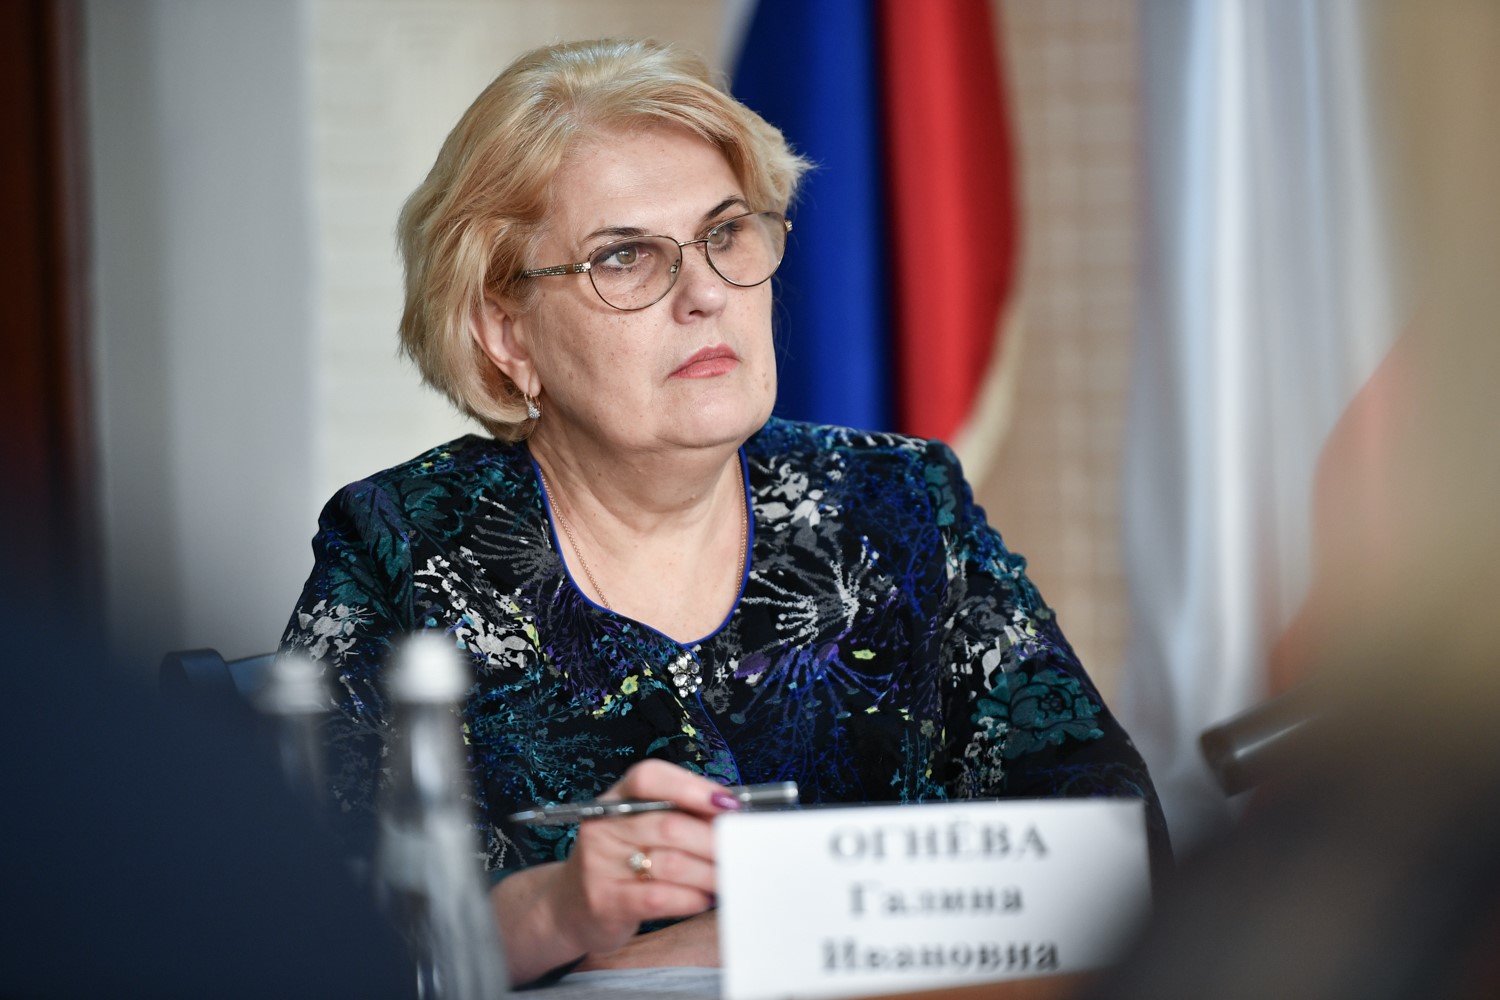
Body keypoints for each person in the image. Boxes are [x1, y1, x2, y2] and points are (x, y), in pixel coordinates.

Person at [281, 37, 1168, 986]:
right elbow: (305, 931)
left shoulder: (898, 503)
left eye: (727, 234)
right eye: (625, 257)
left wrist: (785, 931)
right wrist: (558, 909)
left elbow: (1109, 840)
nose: (706, 293)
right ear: (506, 332)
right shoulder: (403, 546)